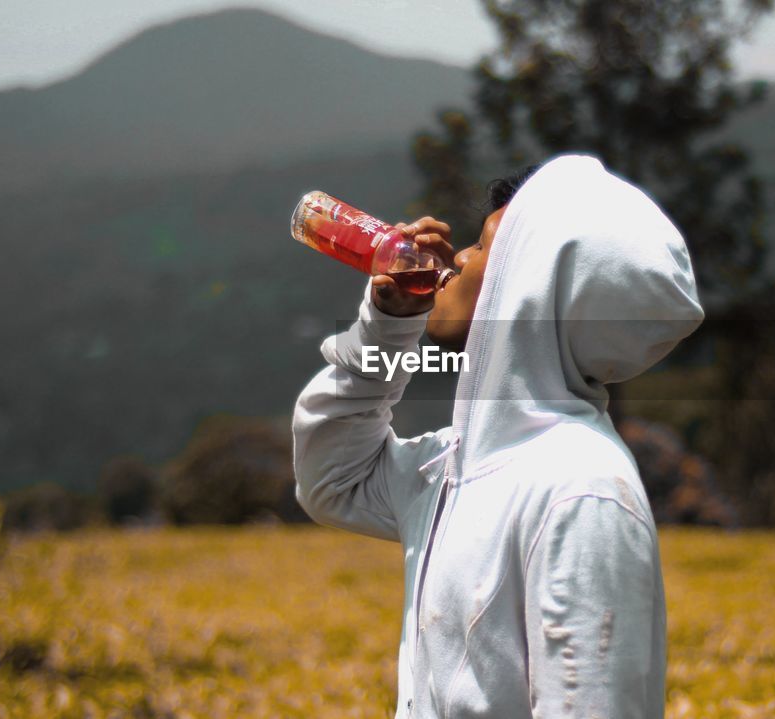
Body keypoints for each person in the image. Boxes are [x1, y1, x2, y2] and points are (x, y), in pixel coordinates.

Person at [293, 154, 704, 718]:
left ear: (528, 284)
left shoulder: (580, 491)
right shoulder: (459, 465)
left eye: (483, 247)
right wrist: (386, 329)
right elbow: (334, 480)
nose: (456, 257)